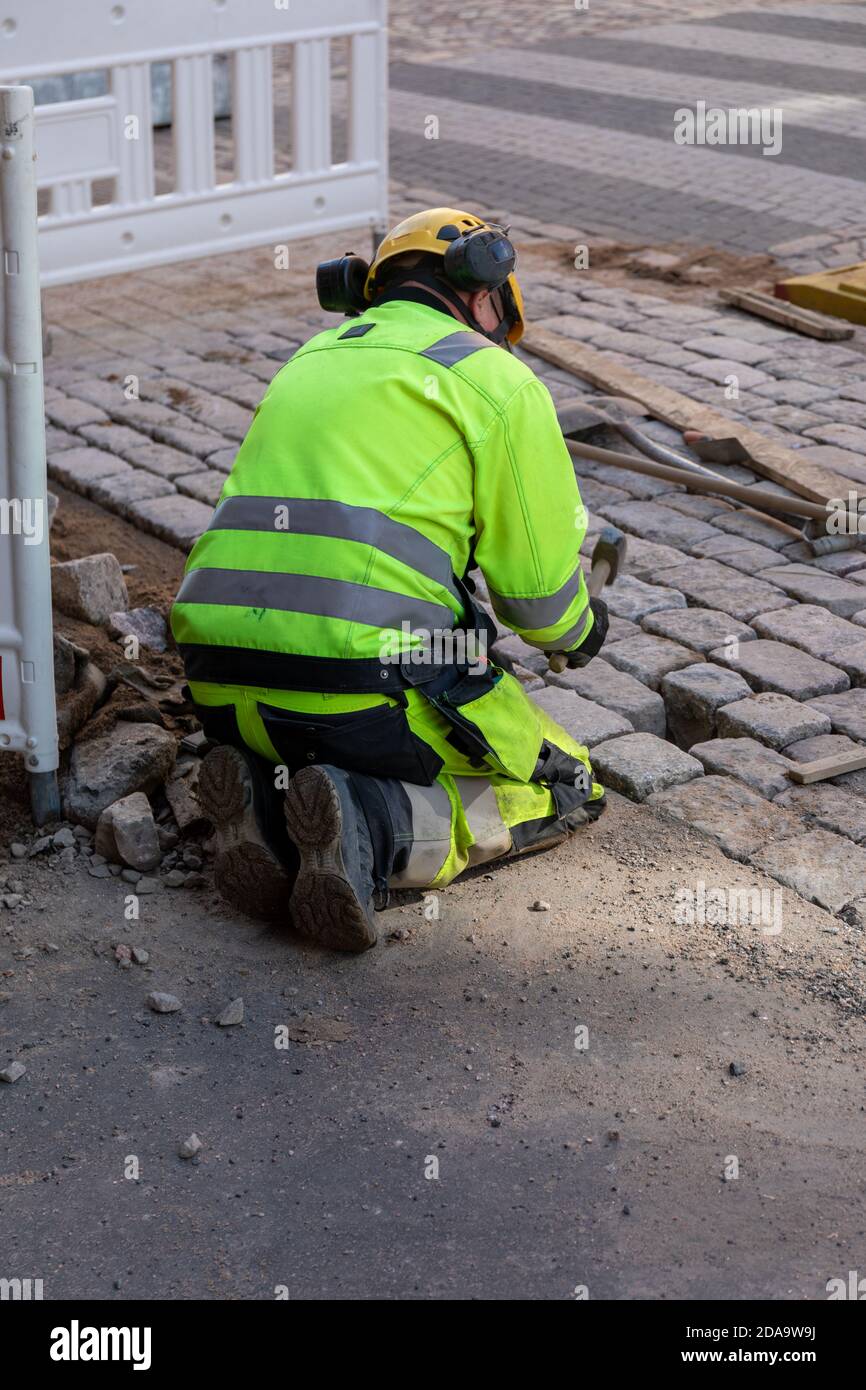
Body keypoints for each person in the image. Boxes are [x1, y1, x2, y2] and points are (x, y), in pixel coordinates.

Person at [170, 208, 609, 952]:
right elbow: (538, 603)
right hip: (363, 691)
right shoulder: (494, 378)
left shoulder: (309, 358)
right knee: (562, 784)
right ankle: (372, 826)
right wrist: (582, 631)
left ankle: (269, 813)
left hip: (218, 679)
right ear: (482, 293)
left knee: (311, 740)